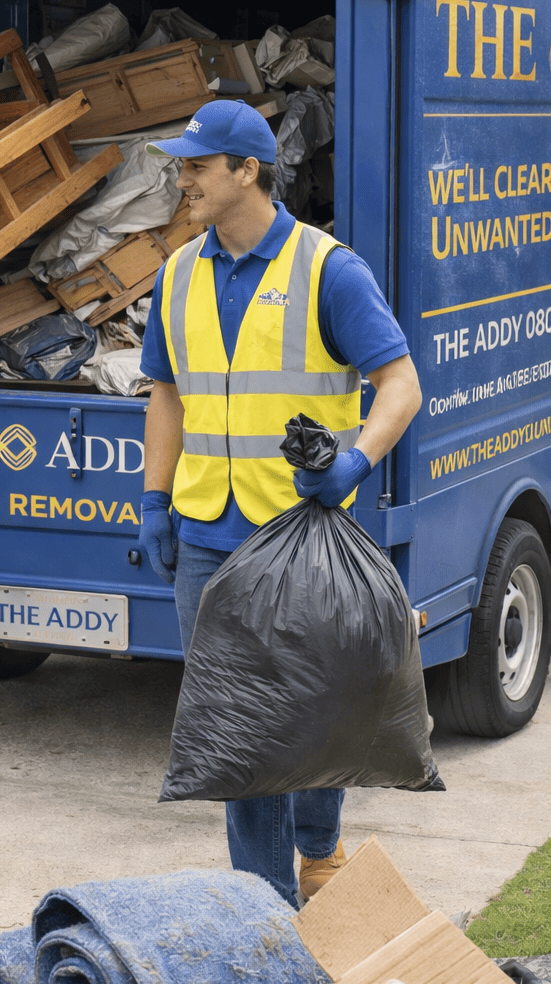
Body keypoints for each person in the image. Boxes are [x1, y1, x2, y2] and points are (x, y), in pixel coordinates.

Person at [138, 100, 421, 911]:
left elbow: (399, 383)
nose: (182, 177)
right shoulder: (178, 271)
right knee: (238, 733)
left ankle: (320, 845)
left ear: (247, 171)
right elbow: (166, 395)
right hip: (207, 541)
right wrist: (155, 499)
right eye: (182, 163)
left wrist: (356, 460)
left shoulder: (328, 269)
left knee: (317, 713)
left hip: (300, 534)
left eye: (196, 164)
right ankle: (262, 907)